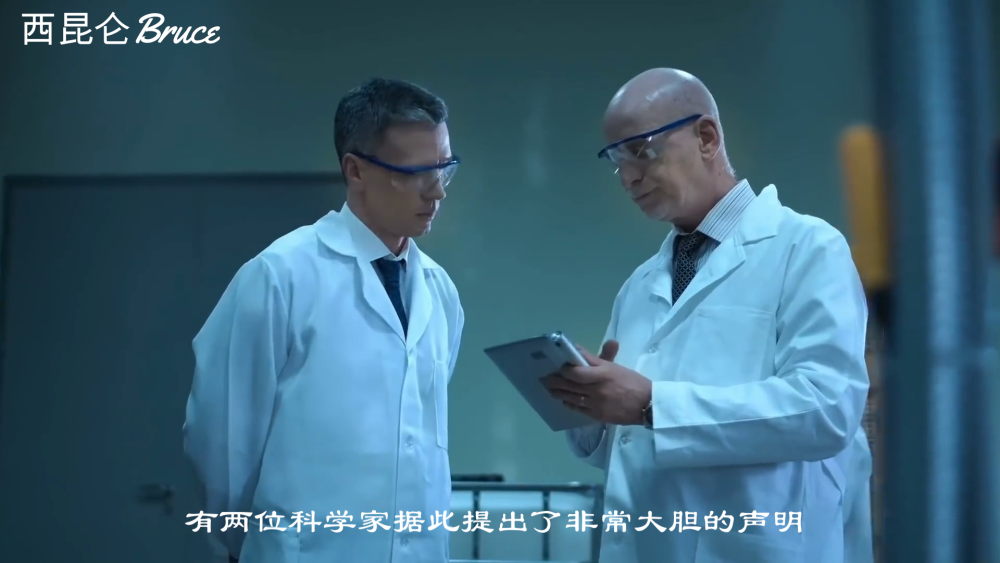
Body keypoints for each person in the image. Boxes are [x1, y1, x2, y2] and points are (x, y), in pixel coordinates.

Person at [544, 68, 872, 563]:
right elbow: (631, 448)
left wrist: (652, 405)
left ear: (706, 137)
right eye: (616, 160)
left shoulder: (807, 248)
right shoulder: (640, 285)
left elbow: (826, 410)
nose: (629, 177)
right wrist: (592, 410)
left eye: (641, 151)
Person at [183, 78, 465, 563]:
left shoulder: (439, 291)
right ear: (356, 170)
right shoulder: (280, 276)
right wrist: (248, 545)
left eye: (444, 167)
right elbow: (223, 441)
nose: (437, 191)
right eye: (417, 172)